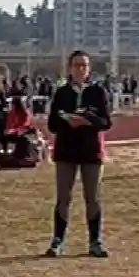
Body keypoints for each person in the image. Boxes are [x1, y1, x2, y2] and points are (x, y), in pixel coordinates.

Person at [45, 50, 112, 258]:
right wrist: (68, 120)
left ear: (89, 68)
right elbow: (52, 125)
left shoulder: (98, 92)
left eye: (84, 65)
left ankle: (95, 241)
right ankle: (58, 240)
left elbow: (106, 122)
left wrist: (88, 118)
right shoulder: (62, 93)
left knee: (93, 197)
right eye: (76, 65)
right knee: (63, 197)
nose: (80, 69)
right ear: (70, 68)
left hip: (91, 151)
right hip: (66, 151)